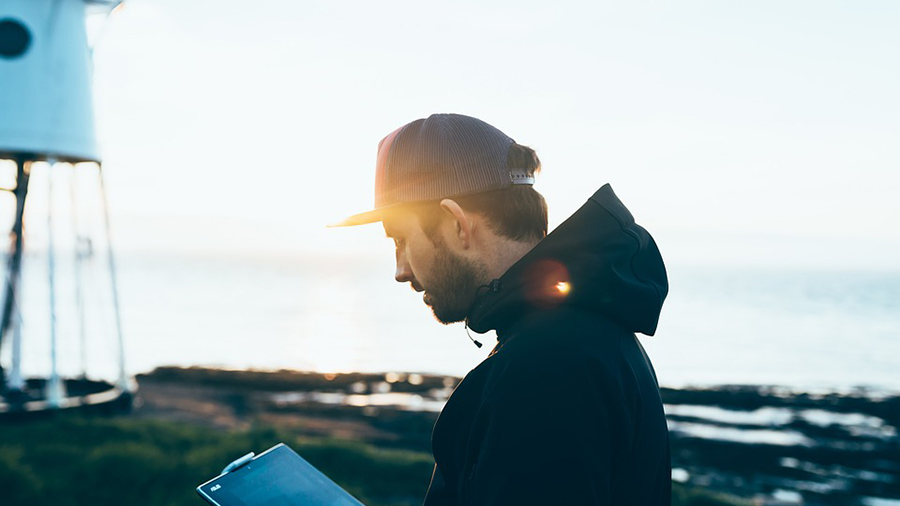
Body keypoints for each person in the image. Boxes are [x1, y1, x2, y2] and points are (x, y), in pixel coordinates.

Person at [332, 113, 670, 505]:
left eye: (402, 239)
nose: (400, 269)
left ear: (456, 223)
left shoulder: (544, 370)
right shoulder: (586, 335)